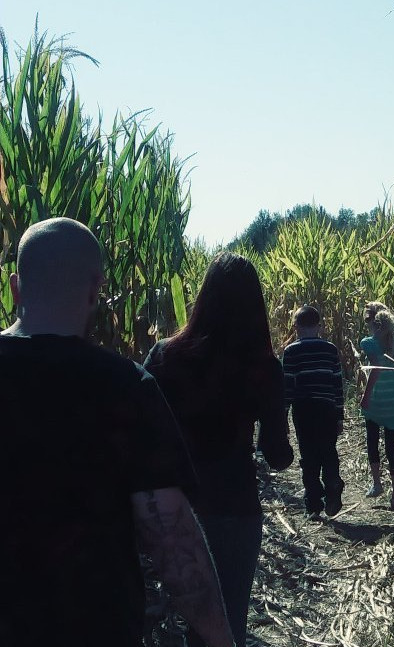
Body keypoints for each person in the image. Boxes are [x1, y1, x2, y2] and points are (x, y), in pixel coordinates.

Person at [0, 217, 235, 647]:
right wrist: (221, 640)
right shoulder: (126, 386)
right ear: (96, 290)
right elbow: (171, 536)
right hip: (95, 627)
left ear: (16, 287)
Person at [144, 252, 293, 647]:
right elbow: (277, 454)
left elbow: (140, 435)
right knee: (225, 627)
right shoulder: (264, 368)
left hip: (170, 510)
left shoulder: (163, 356)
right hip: (233, 508)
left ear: (203, 298)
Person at [283, 305, 345, 517]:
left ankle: (314, 504)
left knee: (308, 455)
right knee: (328, 450)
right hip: (327, 408)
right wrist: (339, 415)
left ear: (296, 326)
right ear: (319, 326)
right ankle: (333, 486)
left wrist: (283, 416)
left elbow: (288, 385)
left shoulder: (291, 351)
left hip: (304, 410)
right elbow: (337, 384)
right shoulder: (330, 349)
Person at [359, 302, 394, 510]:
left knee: (372, 439)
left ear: (372, 322)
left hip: (378, 398)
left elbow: (375, 370)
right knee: (393, 446)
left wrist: (365, 397)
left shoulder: (369, 342)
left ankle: (376, 484)